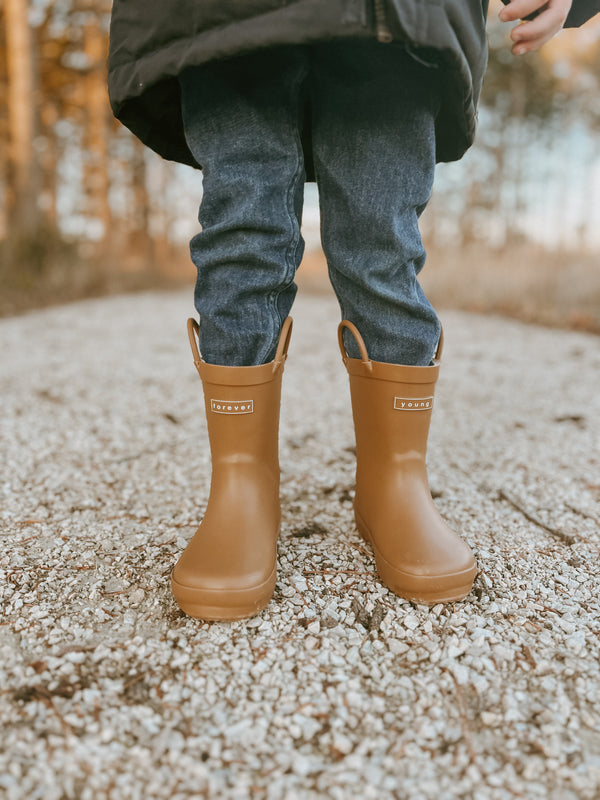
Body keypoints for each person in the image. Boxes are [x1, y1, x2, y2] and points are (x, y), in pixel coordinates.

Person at [107, 0, 599, 621]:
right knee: (241, 230)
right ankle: (242, 484)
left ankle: (393, 482)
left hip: (399, 16)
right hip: (219, 14)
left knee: (382, 241)